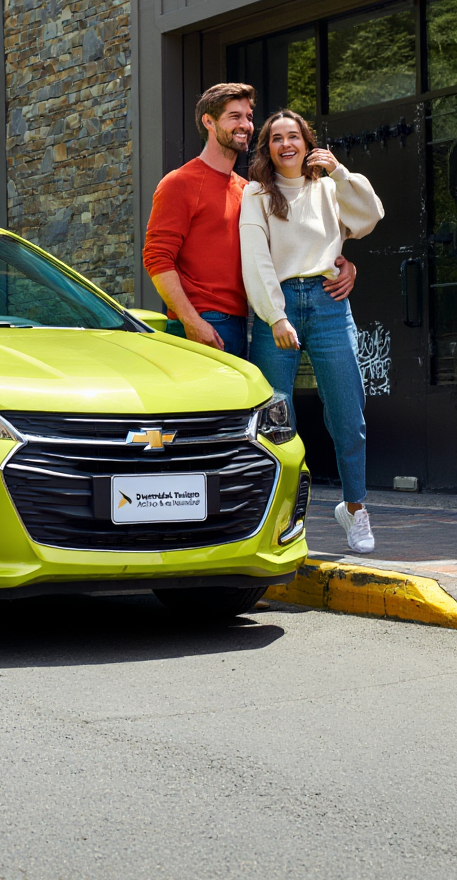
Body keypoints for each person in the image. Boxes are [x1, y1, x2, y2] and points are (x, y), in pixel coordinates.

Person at [240, 110, 384, 553]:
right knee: (276, 422)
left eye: (294, 137)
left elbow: (370, 216)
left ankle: (355, 509)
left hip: (329, 304)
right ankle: (281, 518)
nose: (286, 145)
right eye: (277, 138)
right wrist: (275, 315)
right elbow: (256, 259)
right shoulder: (256, 193)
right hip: (278, 310)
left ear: (307, 143)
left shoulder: (327, 187)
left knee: (347, 413)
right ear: (267, 147)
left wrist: (339, 171)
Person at [144, 83, 355, 358]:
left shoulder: (248, 190)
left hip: (242, 321)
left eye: (249, 117)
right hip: (202, 324)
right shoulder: (179, 183)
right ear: (209, 121)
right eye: (235, 116)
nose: (245, 125)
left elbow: (285, 248)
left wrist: (344, 266)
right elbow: (157, 259)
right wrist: (192, 321)